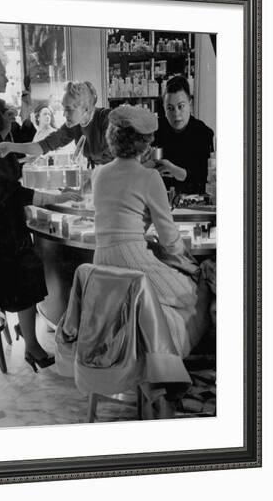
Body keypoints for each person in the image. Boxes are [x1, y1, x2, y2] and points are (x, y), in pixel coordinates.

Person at [92, 105, 211, 414]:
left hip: (101, 268)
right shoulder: (149, 178)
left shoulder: (99, 174)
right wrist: (183, 260)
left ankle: (150, 367)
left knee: (157, 300)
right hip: (134, 266)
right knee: (193, 290)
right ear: (145, 143)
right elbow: (170, 237)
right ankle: (163, 377)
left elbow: (121, 222)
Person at [0, 102, 82, 372]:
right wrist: (56, 198)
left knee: (25, 249)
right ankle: (32, 346)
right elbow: (12, 194)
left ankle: (28, 331)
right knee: (25, 261)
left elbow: (8, 193)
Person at [0, 81, 112, 167]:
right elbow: (43, 146)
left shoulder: (107, 120)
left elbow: (125, 161)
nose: (64, 115)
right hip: (99, 179)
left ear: (85, 108)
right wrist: (10, 146)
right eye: (64, 108)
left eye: (69, 109)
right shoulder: (73, 126)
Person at [151, 75, 214, 194]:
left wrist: (178, 172)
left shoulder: (203, 133)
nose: (176, 114)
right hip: (158, 198)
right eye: (170, 108)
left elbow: (206, 179)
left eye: (181, 106)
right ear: (164, 108)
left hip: (193, 202)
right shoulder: (155, 130)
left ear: (190, 103)